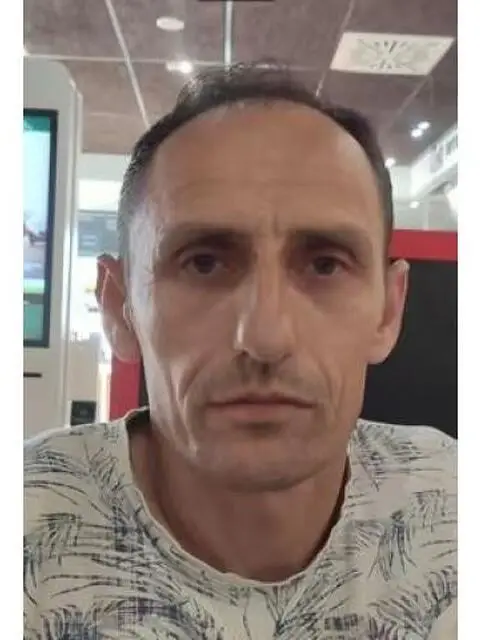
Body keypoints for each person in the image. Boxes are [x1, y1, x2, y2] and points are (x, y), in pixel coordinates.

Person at [24, 64, 457, 639]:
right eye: (204, 263)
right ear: (119, 308)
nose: (266, 337)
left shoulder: (454, 503)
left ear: (388, 310)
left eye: (325, 264)